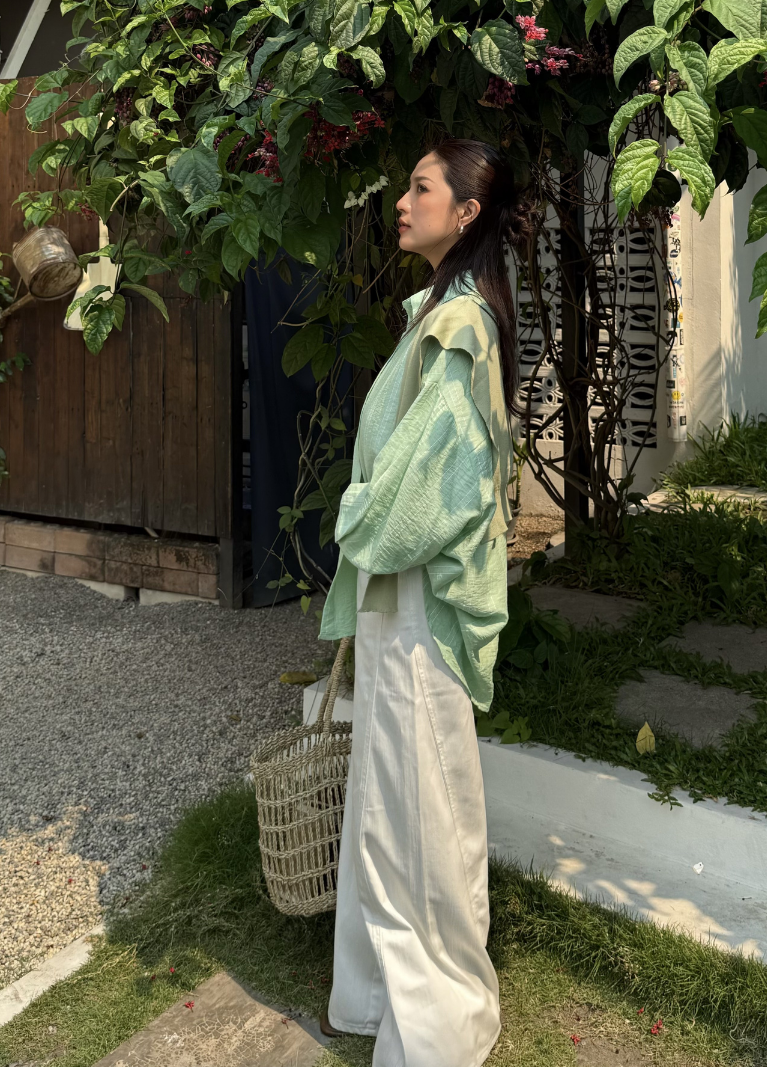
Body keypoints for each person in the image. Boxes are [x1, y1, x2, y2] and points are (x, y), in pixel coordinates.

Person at [317, 138, 534, 1067]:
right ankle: (377, 998)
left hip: (422, 602)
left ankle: (440, 1029)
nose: (401, 203)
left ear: (467, 211)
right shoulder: (436, 315)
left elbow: (428, 490)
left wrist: (352, 520)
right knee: (390, 806)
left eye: (420, 187)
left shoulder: (460, 328)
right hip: (399, 597)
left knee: (419, 820)